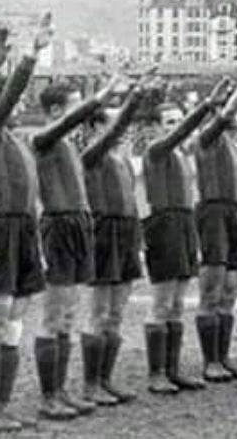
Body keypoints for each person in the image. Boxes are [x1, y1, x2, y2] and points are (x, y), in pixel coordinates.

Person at [32, 68, 122, 419]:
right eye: (73, 107)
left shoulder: (67, 144)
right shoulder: (44, 138)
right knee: (54, 315)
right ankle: (48, 395)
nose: (78, 115)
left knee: (68, 315)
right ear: (57, 112)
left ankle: (61, 390)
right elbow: (74, 121)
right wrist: (103, 94)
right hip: (58, 227)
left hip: (79, 226)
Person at [142, 79, 230, 395]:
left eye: (178, 120)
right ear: (154, 129)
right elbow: (182, 134)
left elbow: (208, 131)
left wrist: (219, 108)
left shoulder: (182, 154)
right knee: (162, 301)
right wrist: (206, 105)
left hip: (183, 222)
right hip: (163, 224)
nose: (175, 127)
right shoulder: (156, 150)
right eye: (168, 122)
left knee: (178, 301)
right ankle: (156, 373)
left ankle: (172, 370)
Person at [0, 21, 51, 431]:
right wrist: (28, 57)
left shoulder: (20, 144)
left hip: (24, 232)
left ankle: (2, 404)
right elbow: (10, 90)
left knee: (14, 323)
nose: (12, 106)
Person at [80, 81, 149, 407]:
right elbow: (113, 134)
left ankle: (106, 379)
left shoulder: (122, 161)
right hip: (104, 234)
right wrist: (135, 98)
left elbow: (132, 204)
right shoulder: (92, 155)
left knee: (117, 312)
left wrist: (137, 242)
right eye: (112, 122)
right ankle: (90, 384)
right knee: (100, 312)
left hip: (125, 233)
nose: (120, 130)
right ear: (95, 127)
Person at [194, 65, 237, 382]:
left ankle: (223, 356)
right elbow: (230, 107)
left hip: (236, 211)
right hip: (214, 212)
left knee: (231, 288)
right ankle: (210, 361)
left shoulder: (232, 144)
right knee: (212, 286)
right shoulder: (207, 138)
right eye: (234, 108)